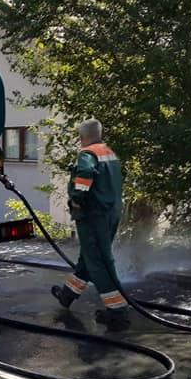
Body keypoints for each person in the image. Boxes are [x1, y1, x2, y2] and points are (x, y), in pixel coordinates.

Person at [51, 119, 129, 328]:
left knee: (99, 261)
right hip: (110, 214)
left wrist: (77, 198)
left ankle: (118, 311)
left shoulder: (87, 154)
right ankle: (67, 295)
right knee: (88, 257)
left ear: (82, 137)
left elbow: (85, 174)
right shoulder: (109, 152)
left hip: (93, 216)